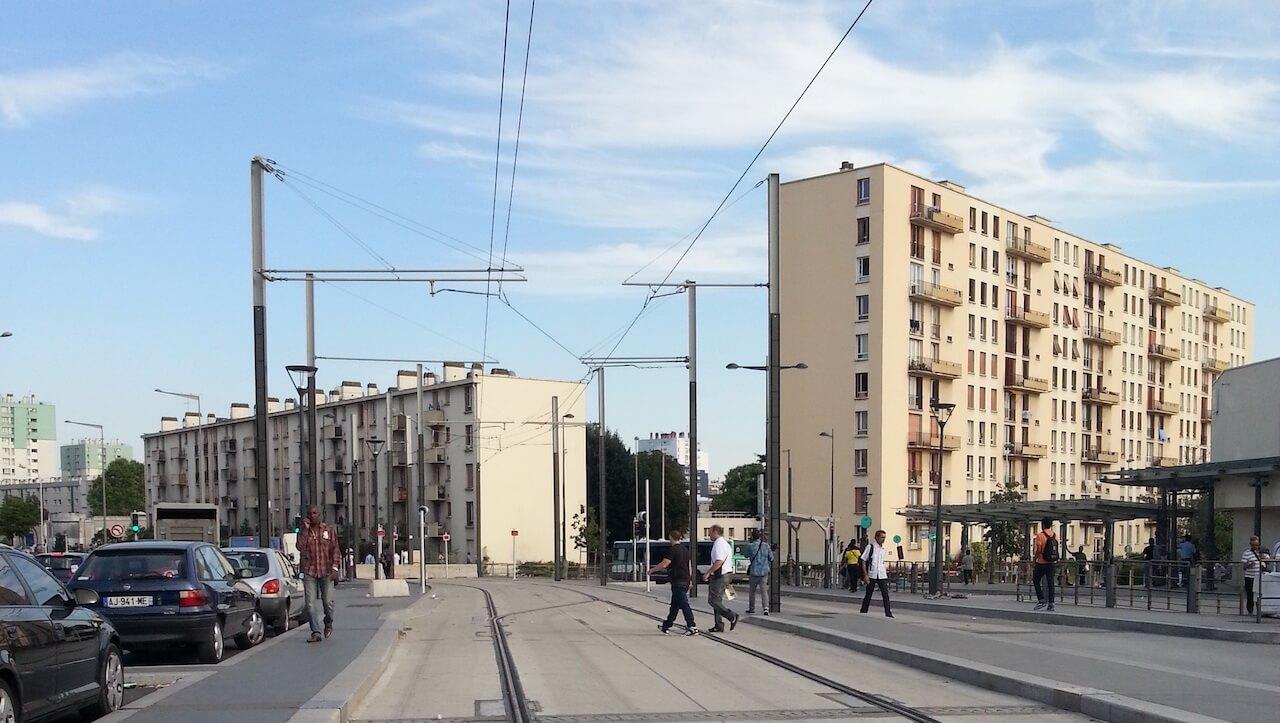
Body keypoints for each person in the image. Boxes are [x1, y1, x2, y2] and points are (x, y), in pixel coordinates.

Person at [297, 505, 340, 642]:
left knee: (327, 602)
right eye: (310, 514)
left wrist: (335, 568)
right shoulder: (305, 532)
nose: (312, 515)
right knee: (310, 604)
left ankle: (328, 622)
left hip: (326, 571)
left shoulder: (328, 530)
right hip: (310, 571)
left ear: (319, 515)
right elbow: (300, 547)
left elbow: (335, 550)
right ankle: (316, 632)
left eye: (315, 513)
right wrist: (304, 530)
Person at [649, 528, 698, 635]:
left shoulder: (672, 550)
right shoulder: (685, 550)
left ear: (671, 537)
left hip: (678, 580)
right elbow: (689, 566)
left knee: (684, 604)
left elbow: (664, 564)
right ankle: (666, 625)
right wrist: (690, 580)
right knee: (675, 605)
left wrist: (652, 570)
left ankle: (692, 626)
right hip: (685, 580)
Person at [703, 524, 739, 632]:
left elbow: (719, 561)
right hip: (726, 574)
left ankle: (731, 616)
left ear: (715, 531)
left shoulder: (719, 544)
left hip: (720, 576)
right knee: (717, 600)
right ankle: (718, 625)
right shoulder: (725, 543)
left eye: (709, 531)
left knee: (713, 600)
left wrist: (708, 572)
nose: (708, 534)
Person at [859, 529, 893, 617]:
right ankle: (864, 610)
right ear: (877, 537)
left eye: (884, 537)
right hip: (872, 573)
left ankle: (888, 613)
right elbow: (863, 559)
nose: (883, 539)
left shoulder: (884, 548)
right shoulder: (870, 547)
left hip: (881, 573)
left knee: (885, 594)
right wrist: (865, 575)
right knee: (869, 593)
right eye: (882, 537)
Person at [1032, 518, 1059, 611]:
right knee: (1051, 583)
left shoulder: (1040, 535)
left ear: (1043, 524)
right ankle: (1051, 603)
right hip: (1051, 562)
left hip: (1042, 562)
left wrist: (1035, 559)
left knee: (1035, 579)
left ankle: (1041, 600)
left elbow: (1039, 549)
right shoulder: (1054, 535)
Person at [745, 530, 773, 615]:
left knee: (752, 591)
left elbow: (746, 555)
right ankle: (766, 608)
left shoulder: (751, 546)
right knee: (764, 591)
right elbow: (771, 558)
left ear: (752, 537)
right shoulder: (766, 546)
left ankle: (751, 608)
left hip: (754, 571)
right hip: (764, 572)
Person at [1242, 536, 1270, 616]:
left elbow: (1268, 561)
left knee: (1259, 594)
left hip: (1260, 576)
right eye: (1253, 545)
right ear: (1250, 544)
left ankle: (1259, 611)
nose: (1255, 547)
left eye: (1257, 545)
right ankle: (1250, 611)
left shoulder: (1261, 552)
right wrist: (1250, 564)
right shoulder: (1246, 553)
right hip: (1249, 577)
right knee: (1250, 595)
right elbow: (1244, 566)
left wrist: (1264, 558)